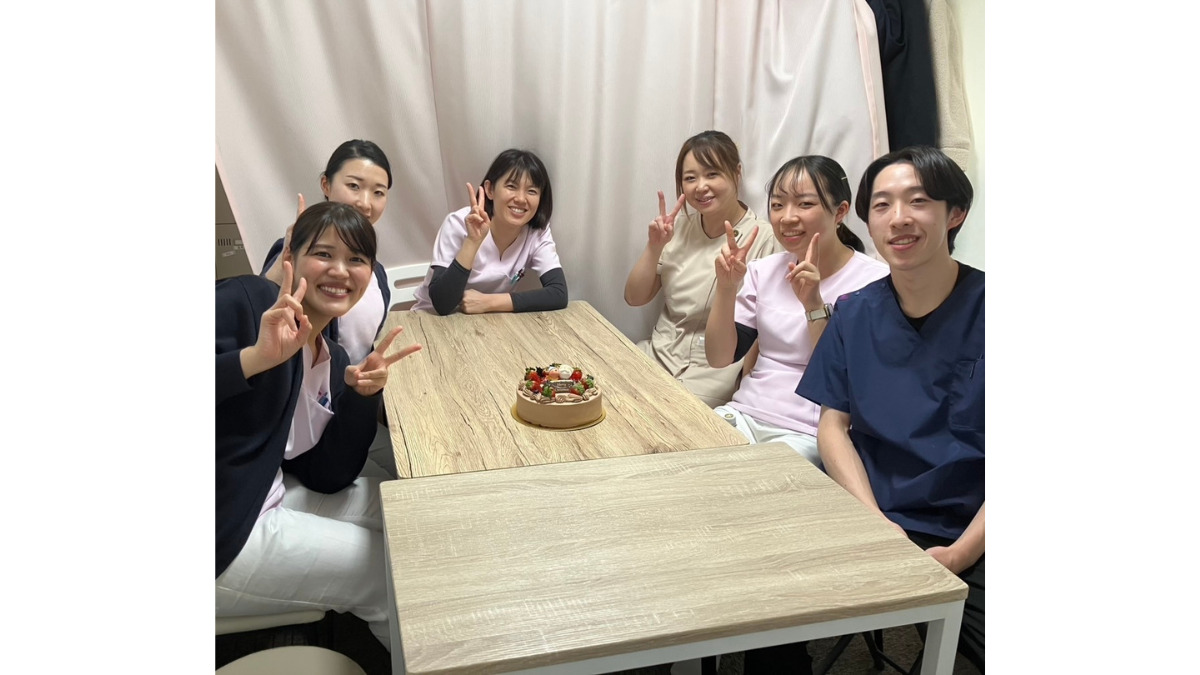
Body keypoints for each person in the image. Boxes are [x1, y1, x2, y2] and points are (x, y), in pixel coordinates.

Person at [795, 145, 985, 672]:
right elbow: (832, 426)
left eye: (917, 201)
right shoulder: (854, 313)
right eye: (881, 205)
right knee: (766, 607)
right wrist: (874, 521)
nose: (898, 218)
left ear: (955, 213)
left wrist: (961, 554)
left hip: (974, 526)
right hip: (873, 512)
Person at [216, 201, 422, 648]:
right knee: (386, 575)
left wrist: (361, 398)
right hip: (224, 531)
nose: (340, 271)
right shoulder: (248, 302)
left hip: (265, 493)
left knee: (407, 515)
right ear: (290, 256)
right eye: (324, 254)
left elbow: (327, 476)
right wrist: (251, 360)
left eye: (356, 259)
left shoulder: (332, 357)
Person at [703, 155, 888, 467]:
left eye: (805, 204)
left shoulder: (874, 281)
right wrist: (726, 287)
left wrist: (813, 305)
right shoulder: (763, 271)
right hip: (742, 415)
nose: (787, 217)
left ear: (840, 211)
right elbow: (719, 357)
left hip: (807, 432)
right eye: (777, 205)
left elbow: (847, 382)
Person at [624, 130, 779, 408]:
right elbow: (634, 298)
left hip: (713, 373)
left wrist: (749, 390)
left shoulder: (764, 238)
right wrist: (654, 246)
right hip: (657, 355)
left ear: (737, 173)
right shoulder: (677, 227)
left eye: (712, 174)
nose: (701, 186)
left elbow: (768, 330)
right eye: (690, 178)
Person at [262, 139, 393, 364]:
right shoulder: (296, 254)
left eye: (378, 192)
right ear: (326, 184)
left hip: (345, 384)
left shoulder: (375, 271)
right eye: (354, 186)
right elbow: (261, 314)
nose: (365, 203)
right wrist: (290, 254)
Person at [412, 148, 568, 315]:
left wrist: (488, 302)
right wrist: (472, 241)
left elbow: (558, 293)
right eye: (511, 186)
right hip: (433, 320)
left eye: (531, 191)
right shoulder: (459, 223)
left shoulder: (536, 232)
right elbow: (441, 303)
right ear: (490, 190)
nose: (521, 199)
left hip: (488, 319)